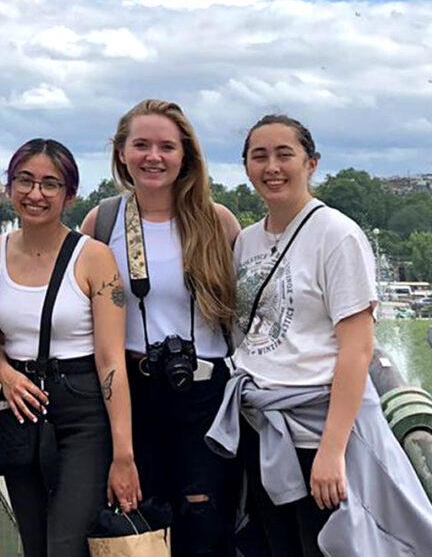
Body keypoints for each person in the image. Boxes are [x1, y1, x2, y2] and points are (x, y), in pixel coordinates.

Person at [206, 114, 432, 556]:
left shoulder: (337, 235)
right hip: (265, 430)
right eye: (259, 156)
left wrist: (332, 451)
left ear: (311, 163)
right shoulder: (247, 241)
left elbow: (356, 350)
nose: (272, 166)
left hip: (320, 432)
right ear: (246, 167)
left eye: (284, 154)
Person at [79, 100, 242, 557]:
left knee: (205, 529)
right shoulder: (103, 222)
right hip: (132, 395)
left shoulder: (218, 222)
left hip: (205, 397)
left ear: (185, 155)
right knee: (139, 531)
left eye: (167, 146)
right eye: (142, 145)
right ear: (122, 153)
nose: (154, 156)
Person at [0, 138, 140, 557]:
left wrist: (123, 454)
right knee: (35, 546)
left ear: (69, 195)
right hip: (21, 406)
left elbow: (110, 361)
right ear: (9, 186)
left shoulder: (95, 258)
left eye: (50, 184)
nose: (36, 194)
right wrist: (7, 375)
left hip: (82, 411)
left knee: (65, 546)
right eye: (25, 181)